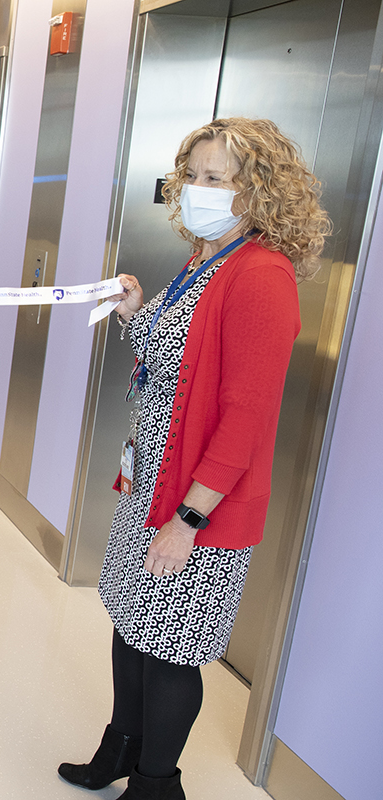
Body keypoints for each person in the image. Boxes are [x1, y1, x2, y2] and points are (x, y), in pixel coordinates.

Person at [59, 118, 329, 799]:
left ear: (257, 191)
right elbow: (177, 362)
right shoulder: (206, 259)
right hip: (151, 482)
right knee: (132, 619)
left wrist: (188, 519)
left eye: (216, 178)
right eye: (192, 175)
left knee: (171, 646)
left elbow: (247, 417)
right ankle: (120, 748)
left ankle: (158, 783)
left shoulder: (262, 276)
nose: (197, 189)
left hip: (197, 504)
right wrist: (135, 310)